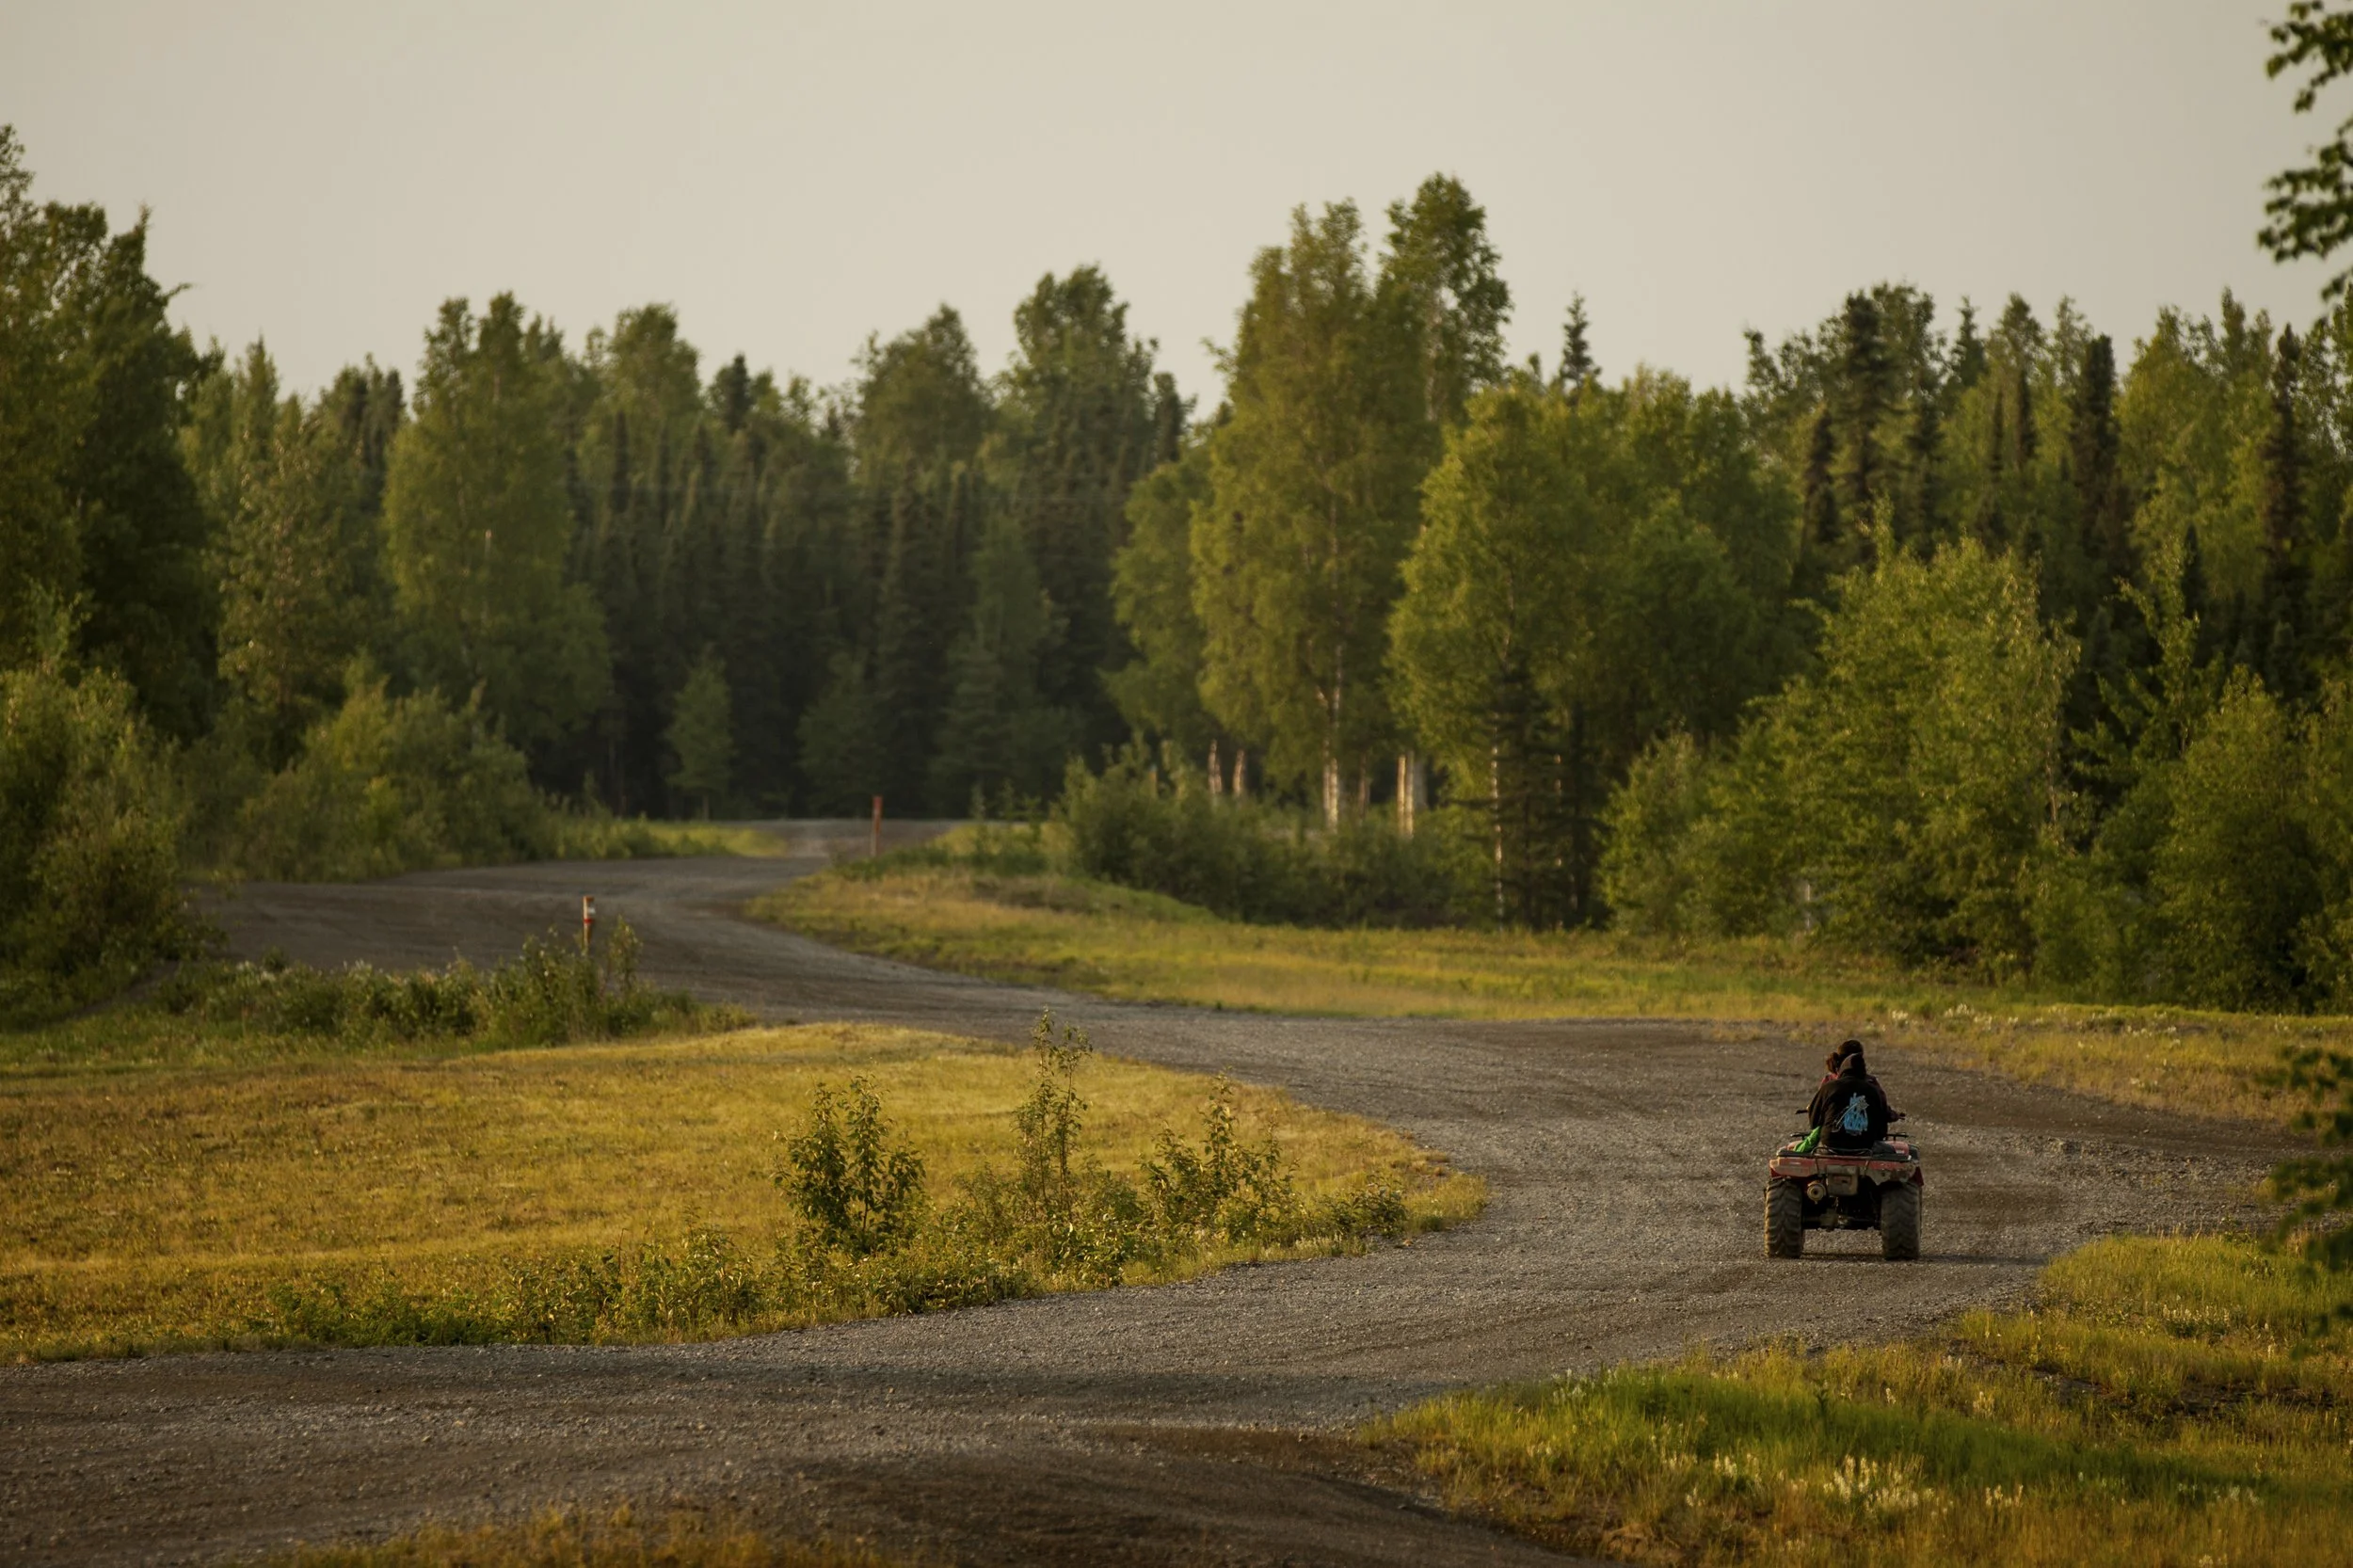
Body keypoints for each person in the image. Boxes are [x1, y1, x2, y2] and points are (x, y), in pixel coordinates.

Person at [1807, 1043, 1900, 1152]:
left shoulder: (1828, 1085)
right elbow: (1881, 1126)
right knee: (1893, 1153)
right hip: (1864, 1147)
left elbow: (1814, 1121)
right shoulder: (1872, 1088)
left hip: (1830, 1146)